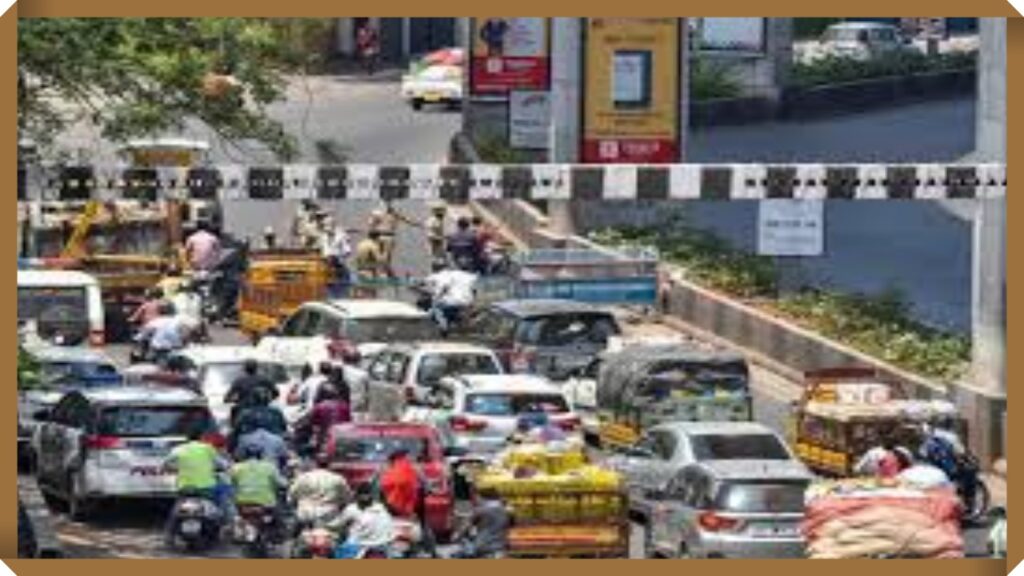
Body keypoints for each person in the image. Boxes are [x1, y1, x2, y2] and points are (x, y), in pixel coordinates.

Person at [162, 426, 230, 547]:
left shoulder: (178, 449)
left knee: (176, 510)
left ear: (186, 438)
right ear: (202, 438)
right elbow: (221, 464)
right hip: (206, 488)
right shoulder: (208, 448)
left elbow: (165, 465)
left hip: (185, 487)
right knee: (216, 508)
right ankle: (219, 532)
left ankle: (169, 536)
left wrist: (173, 469)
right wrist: (224, 467)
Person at [230, 445, 289, 539]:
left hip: (242, 502)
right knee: (278, 516)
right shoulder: (269, 467)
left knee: (236, 517)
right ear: (261, 455)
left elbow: (231, 483)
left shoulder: (236, 468)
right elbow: (282, 483)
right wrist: (286, 484)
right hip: (266, 503)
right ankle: (280, 535)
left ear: (245, 455)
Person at [336, 484, 394, 558]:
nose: (364, 497)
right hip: (381, 544)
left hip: (360, 545)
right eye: (363, 494)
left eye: (365, 494)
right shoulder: (381, 507)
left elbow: (341, 526)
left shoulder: (351, 509)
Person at [452, 487, 509, 559]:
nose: (475, 500)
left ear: (480, 497)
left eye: (476, 497)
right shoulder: (505, 509)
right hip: (501, 546)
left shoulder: (481, 510)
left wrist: (457, 536)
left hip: (485, 547)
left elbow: (466, 526)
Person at [422, 263, 477, 334]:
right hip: (467, 301)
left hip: (452, 300)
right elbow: (474, 290)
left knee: (435, 306)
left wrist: (438, 296)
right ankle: (459, 322)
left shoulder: (451, 275)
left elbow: (445, 287)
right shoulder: (472, 277)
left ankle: (443, 326)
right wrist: (472, 302)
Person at [320, 215, 352, 299]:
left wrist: (337, 257)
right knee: (328, 291)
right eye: (325, 226)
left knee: (341, 292)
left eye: (328, 226)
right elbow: (323, 250)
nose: (327, 230)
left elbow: (347, 251)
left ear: (333, 226)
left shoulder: (341, 236)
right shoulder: (323, 236)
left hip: (339, 267)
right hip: (326, 267)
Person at [353, 230, 388, 298]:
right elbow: (380, 260)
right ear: (377, 237)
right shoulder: (373, 245)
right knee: (370, 295)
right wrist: (385, 249)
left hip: (360, 270)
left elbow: (356, 259)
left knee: (360, 294)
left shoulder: (360, 244)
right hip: (369, 272)